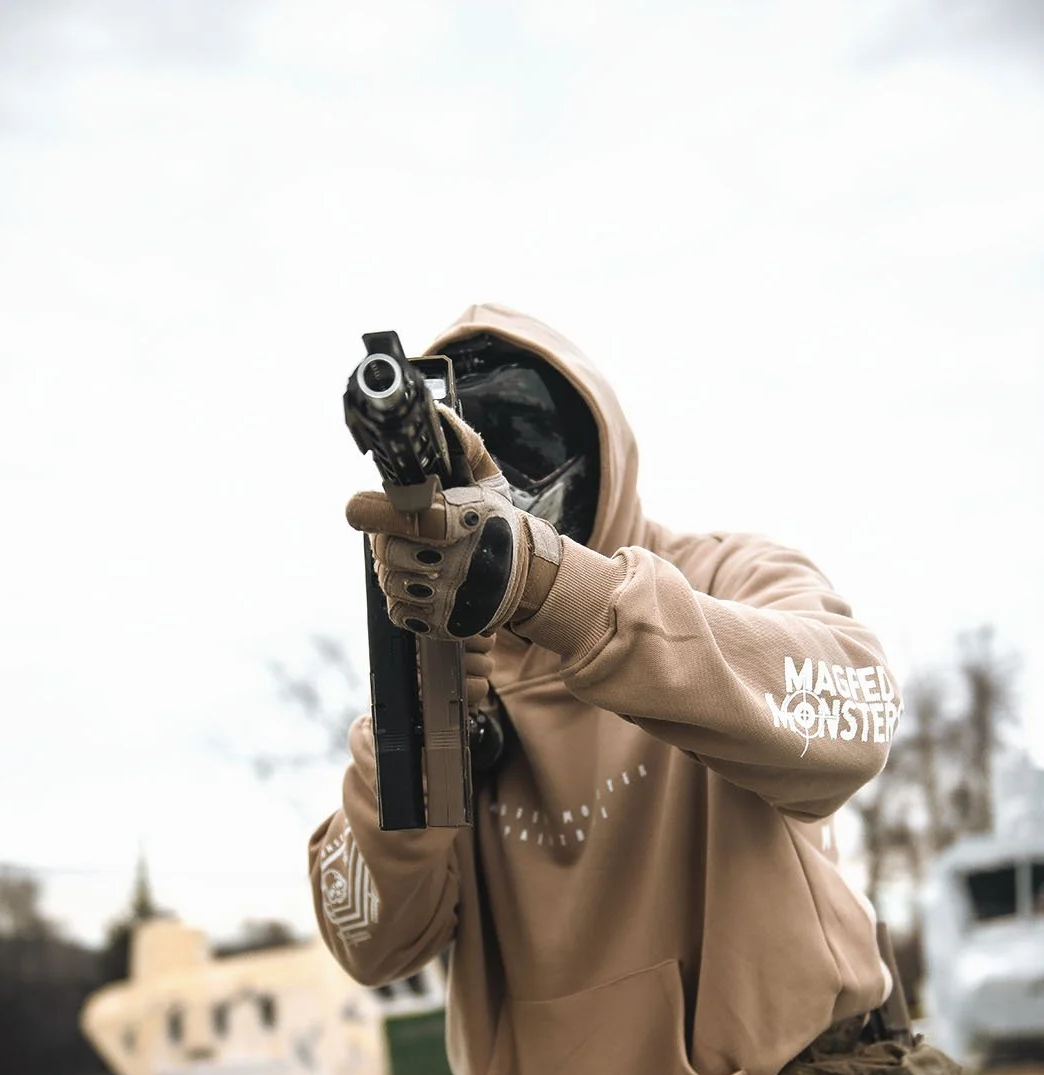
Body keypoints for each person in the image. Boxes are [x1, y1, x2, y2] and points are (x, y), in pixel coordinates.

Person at [310, 304, 958, 1075]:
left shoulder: (728, 578)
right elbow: (370, 940)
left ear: (595, 438)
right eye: (483, 454)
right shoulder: (446, 674)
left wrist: (549, 587)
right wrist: (411, 731)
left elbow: (856, 723)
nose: (509, 483)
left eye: (526, 439)